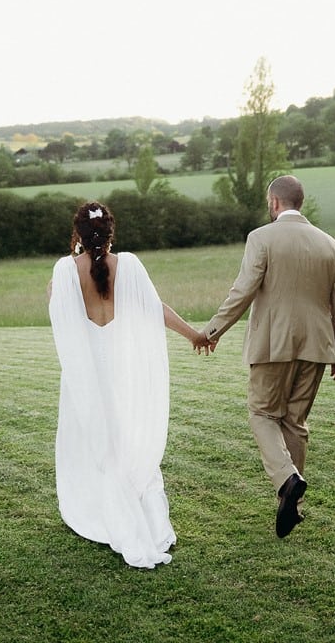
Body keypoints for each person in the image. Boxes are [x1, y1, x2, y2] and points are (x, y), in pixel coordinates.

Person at [48, 200, 207, 569]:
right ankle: (140, 514)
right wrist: (193, 335)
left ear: (78, 235)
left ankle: (102, 511)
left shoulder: (64, 272)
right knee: (125, 437)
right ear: (110, 232)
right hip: (123, 369)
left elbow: (59, 315)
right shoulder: (130, 266)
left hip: (89, 371)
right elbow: (156, 308)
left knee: (95, 441)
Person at [194, 175, 335, 539]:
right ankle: (292, 508)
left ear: (275, 203)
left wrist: (213, 330)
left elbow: (243, 290)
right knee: (295, 422)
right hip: (316, 347)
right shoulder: (330, 244)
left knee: (262, 413)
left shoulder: (260, 238)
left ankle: (287, 480)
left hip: (271, 345)